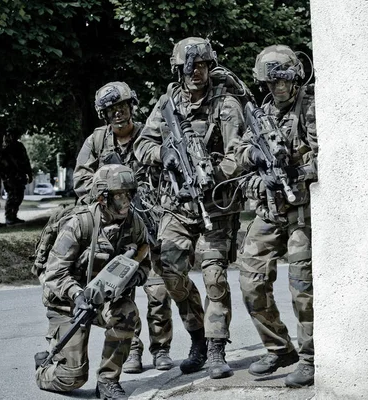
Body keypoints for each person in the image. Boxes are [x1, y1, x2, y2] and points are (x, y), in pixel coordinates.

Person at [134, 37, 245, 379]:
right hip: (177, 205)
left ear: (211, 66)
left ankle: (215, 349)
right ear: (178, 69)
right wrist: (163, 155)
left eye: (202, 65)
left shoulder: (226, 105)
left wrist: (214, 173)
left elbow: (238, 154)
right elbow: (143, 144)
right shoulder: (167, 103)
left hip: (216, 204)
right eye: (189, 66)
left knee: (213, 276)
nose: (196, 72)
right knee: (171, 274)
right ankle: (197, 336)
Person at [73, 82, 174, 374]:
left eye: (123, 108)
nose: (118, 114)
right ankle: (131, 350)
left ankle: (162, 348)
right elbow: (81, 180)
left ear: (132, 107)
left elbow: (170, 171)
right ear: (104, 115)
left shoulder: (150, 135)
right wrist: (107, 193)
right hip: (117, 230)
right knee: (120, 290)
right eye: (111, 111)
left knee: (157, 290)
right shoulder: (96, 142)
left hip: (151, 221)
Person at [235, 44, 317, 387]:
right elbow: (238, 158)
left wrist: (297, 171)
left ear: (296, 78)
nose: (278, 88)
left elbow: (326, 155)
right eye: (271, 83)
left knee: (303, 287)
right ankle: (278, 347)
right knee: (250, 279)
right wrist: (257, 163)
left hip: (301, 213)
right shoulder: (260, 114)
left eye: (283, 81)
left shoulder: (312, 108)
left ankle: (312, 356)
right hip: (269, 210)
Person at [34, 164, 150, 400]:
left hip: (104, 301)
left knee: (126, 312)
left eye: (129, 194)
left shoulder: (134, 223)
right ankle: (42, 368)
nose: (126, 201)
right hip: (67, 304)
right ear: (102, 198)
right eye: (119, 195)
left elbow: (144, 264)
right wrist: (78, 296)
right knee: (72, 377)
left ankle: (108, 381)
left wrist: (129, 279)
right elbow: (55, 274)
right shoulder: (79, 224)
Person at [1, 130, 33, 225]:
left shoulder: (19, 146)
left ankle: (13, 215)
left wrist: (29, 174)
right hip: (10, 175)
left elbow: (26, 161)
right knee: (12, 196)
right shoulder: (5, 149)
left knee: (19, 196)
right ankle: (9, 216)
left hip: (20, 175)